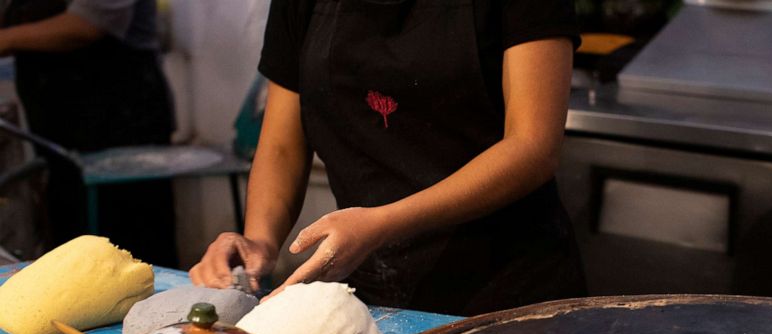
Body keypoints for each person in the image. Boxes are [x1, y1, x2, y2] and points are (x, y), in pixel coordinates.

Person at [190, 0, 586, 315]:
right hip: (375, 301)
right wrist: (260, 240)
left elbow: (532, 146)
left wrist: (382, 223)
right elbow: (281, 145)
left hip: (508, 289)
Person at [0, 0, 178, 266]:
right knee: (76, 250)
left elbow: (87, 25)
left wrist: (4, 39)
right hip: (61, 129)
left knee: (133, 253)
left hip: (121, 124)